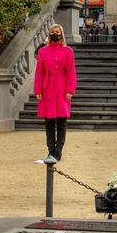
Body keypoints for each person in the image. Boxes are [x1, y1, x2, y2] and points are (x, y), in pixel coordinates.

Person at [33, 24, 77, 161]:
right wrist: (38, 90)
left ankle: (58, 151)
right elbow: (39, 72)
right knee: (49, 122)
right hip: (47, 88)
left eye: (57, 32)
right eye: (52, 31)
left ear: (61, 34)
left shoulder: (68, 51)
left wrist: (70, 90)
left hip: (63, 87)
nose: (55, 34)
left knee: (62, 122)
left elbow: (71, 72)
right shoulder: (42, 51)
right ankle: (50, 151)